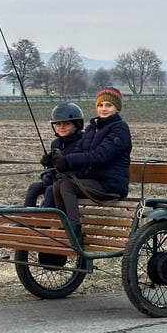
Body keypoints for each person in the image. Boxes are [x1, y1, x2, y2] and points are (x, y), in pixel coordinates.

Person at [51, 87, 133, 242]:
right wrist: (55, 159)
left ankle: (74, 231)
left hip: (110, 185)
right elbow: (78, 150)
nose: (103, 109)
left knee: (67, 186)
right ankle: (60, 227)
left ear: (117, 108)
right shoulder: (92, 128)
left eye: (108, 105)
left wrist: (68, 161)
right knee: (57, 184)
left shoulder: (120, 129)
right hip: (94, 180)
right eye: (100, 105)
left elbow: (99, 156)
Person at [25, 102, 84, 208]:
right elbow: (51, 167)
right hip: (56, 180)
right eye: (58, 124)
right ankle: (25, 221)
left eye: (67, 124)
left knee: (50, 190)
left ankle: (45, 223)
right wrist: (47, 175)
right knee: (34, 187)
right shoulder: (56, 143)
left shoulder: (83, 142)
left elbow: (82, 165)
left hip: (73, 182)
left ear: (77, 125)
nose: (62, 127)